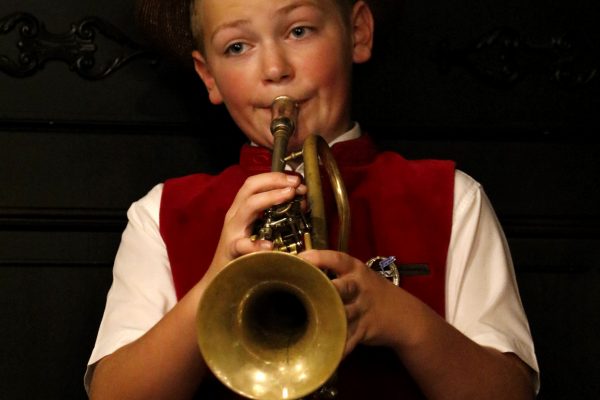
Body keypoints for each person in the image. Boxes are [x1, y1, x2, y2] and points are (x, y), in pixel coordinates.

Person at [85, 0, 540, 398]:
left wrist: (403, 320)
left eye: (299, 31)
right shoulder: (163, 212)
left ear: (357, 32)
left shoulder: (451, 196)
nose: (275, 68)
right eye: (238, 47)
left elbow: (509, 391)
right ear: (209, 77)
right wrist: (214, 287)